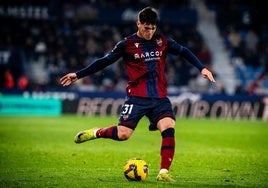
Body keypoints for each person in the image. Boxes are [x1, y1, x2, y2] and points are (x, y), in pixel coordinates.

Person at [60, 6, 216, 182]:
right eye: (146, 28)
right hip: (137, 96)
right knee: (123, 135)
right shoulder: (126, 44)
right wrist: (78, 74)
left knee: (168, 127)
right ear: (138, 23)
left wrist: (202, 67)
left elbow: (184, 51)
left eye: (152, 28)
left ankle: (164, 171)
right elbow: (104, 62)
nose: (149, 32)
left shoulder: (162, 41)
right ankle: (96, 132)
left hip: (159, 97)